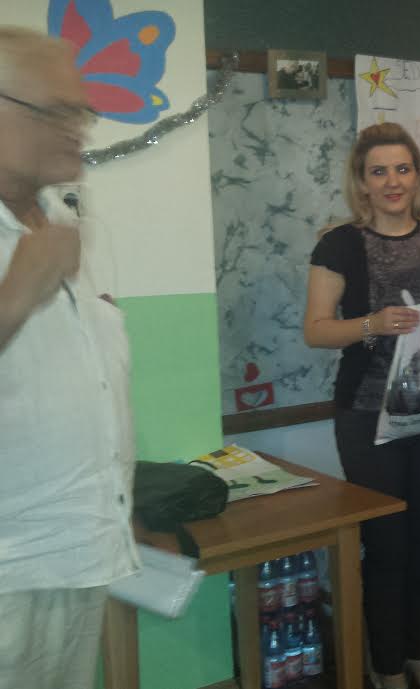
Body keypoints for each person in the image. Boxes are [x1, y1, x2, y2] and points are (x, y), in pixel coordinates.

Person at [304, 122, 420, 689]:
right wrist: (372, 324)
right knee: (385, 545)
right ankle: (386, 667)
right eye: (378, 171)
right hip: (367, 417)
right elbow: (316, 329)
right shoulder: (338, 244)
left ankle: (418, 654)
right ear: (362, 181)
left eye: (402, 169)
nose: (392, 181)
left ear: (418, 176)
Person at [0, 28, 140, 689]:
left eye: (81, 110)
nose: (78, 128)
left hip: (80, 551)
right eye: (56, 110)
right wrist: (15, 296)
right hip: (11, 571)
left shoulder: (59, 216)